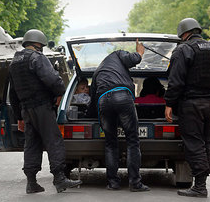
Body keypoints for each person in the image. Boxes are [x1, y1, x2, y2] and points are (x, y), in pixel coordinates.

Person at [8, 29, 82, 194]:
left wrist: (19, 116)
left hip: (26, 109)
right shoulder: (37, 58)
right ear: (39, 45)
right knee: (53, 140)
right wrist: (59, 92)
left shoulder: (14, 62)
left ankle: (31, 182)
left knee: (31, 144)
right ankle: (60, 178)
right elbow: (52, 79)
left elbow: (12, 92)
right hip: (42, 106)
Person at [164, 18, 210, 198]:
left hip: (190, 104)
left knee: (194, 143)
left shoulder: (183, 50)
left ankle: (199, 187)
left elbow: (175, 82)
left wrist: (169, 104)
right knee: (205, 141)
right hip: (209, 104)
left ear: (183, 33)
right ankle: (202, 181)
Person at [89, 39, 150, 192]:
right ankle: (135, 183)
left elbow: (92, 98)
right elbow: (132, 59)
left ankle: (113, 183)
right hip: (122, 96)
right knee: (132, 140)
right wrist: (139, 52)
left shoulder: (98, 72)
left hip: (103, 100)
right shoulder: (117, 54)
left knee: (110, 142)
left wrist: (87, 115)